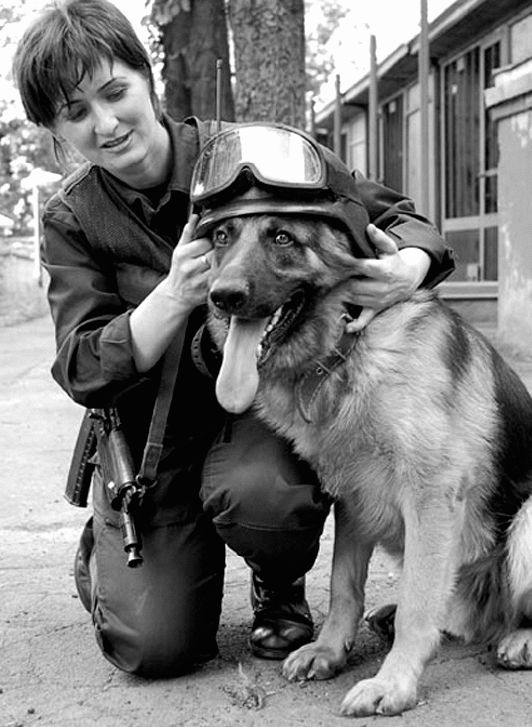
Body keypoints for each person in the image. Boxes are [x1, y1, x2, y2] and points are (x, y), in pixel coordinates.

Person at [13, 0, 455, 679]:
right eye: (76, 112)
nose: (105, 123)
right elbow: (81, 366)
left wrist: (408, 265)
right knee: (153, 648)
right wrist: (171, 296)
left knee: (267, 496)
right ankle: (115, 550)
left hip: (264, 413)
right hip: (157, 433)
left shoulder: (256, 153)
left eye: (114, 92)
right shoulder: (73, 217)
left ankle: (278, 585)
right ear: (55, 129)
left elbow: (398, 217)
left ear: (147, 78)